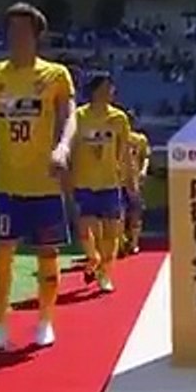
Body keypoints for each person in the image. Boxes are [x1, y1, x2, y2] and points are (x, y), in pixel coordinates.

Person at [0, 3, 77, 352]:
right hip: (7, 182)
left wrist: (63, 148)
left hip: (44, 183)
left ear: (36, 36)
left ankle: (45, 321)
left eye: (22, 31)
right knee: (1, 253)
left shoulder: (55, 75)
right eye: (11, 30)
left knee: (47, 253)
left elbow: (69, 117)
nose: (15, 37)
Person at [64, 71, 131, 293]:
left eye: (110, 88)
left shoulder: (119, 118)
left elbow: (124, 151)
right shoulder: (79, 116)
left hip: (110, 183)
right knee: (88, 231)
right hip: (84, 183)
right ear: (93, 91)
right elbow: (69, 148)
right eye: (103, 88)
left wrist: (128, 178)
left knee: (112, 234)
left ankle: (105, 274)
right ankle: (92, 259)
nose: (108, 92)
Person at [121, 115, 151, 255]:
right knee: (118, 215)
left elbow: (145, 157)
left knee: (136, 213)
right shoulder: (116, 137)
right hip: (116, 180)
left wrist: (143, 171)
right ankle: (120, 243)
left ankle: (134, 243)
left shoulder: (139, 139)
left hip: (133, 181)